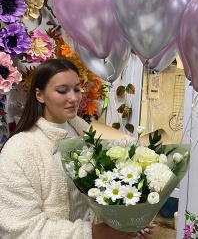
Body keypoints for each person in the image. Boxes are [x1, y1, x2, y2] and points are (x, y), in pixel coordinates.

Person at [0, 58, 154, 239]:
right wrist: (96, 233)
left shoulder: (84, 131)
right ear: (39, 95)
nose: (73, 98)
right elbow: (21, 230)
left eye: (76, 88)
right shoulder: (20, 150)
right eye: (62, 91)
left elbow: (104, 192)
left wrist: (129, 224)